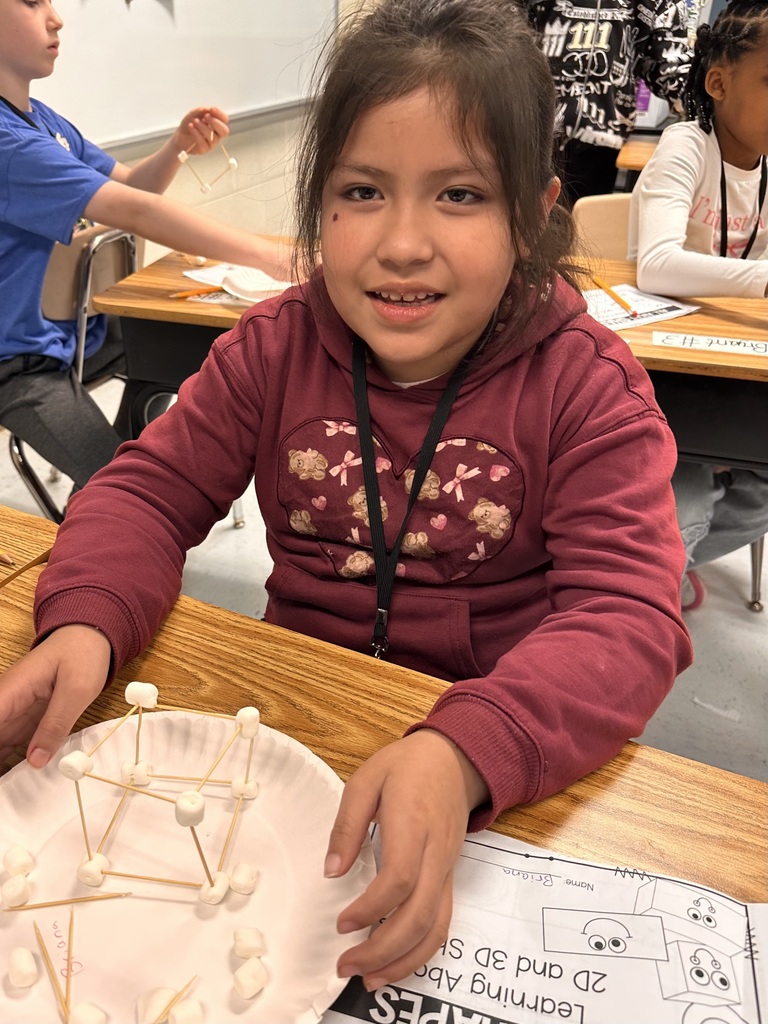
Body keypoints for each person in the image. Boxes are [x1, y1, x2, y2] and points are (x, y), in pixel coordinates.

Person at [0, 0, 692, 992]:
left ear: (538, 213)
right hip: (290, 739)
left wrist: (467, 750)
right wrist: (87, 621)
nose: (402, 244)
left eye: (460, 196)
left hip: (500, 766)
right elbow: (146, 494)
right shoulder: (276, 345)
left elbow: (627, 618)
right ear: (319, 203)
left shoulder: (584, 384)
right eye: (362, 191)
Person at [0, 0, 293, 493]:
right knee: (127, 489)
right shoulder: (7, 143)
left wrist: (177, 144)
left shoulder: (44, 122)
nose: (56, 18)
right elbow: (137, 212)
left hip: (79, 336)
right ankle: (109, 515)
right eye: (32, 3)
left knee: (184, 362)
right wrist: (272, 257)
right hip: (21, 365)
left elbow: (133, 188)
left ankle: (113, 493)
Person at [628, 0, 768, 607]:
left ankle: (673, 557)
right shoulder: (687, 145)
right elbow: (655, 264)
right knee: (682, 493)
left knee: (752, 492)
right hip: (666, 378)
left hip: (738, 367)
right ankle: (651, 579)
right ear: (719, 83)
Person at [525, 0, 692, 205]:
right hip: (525, 124)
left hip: (600, 134)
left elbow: (667, 61)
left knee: (581, 226)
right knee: (509, 222)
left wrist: (709, 99)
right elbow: (498, 25)